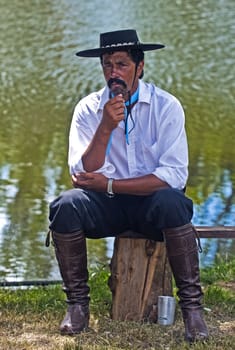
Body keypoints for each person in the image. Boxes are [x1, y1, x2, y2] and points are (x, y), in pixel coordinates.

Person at [47, 29, 209, 342]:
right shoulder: (88, 108)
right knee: (65, 206)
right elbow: (81, 174)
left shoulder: (166, 106)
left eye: (121, 64)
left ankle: (193, 310)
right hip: (107, 207)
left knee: (173, 203)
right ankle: (77, 306)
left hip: (151, 206)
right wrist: (105, 128)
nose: (113, 73)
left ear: (140, 66)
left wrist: (109, 184)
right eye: (107, 65)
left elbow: (174, 176)